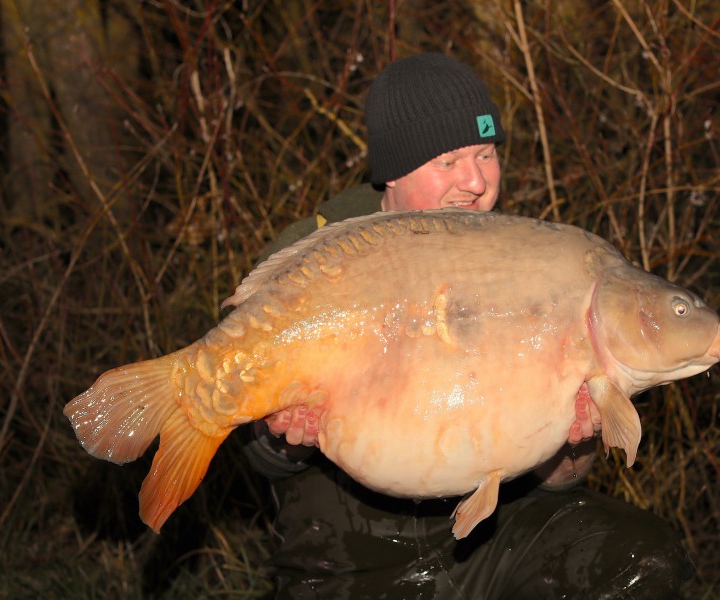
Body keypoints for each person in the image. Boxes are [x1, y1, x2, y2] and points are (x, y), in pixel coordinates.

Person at [243, 53, 692, 598]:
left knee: (639, 559)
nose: (476, 181)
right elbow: (258, 459)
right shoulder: (311, 262)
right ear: (393, 170)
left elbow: (553, 480)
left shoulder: (526, 257)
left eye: (485, 154)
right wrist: (283, 438)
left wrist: (571, 443)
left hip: (496, 535)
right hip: (346, 553)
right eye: (449, 162)